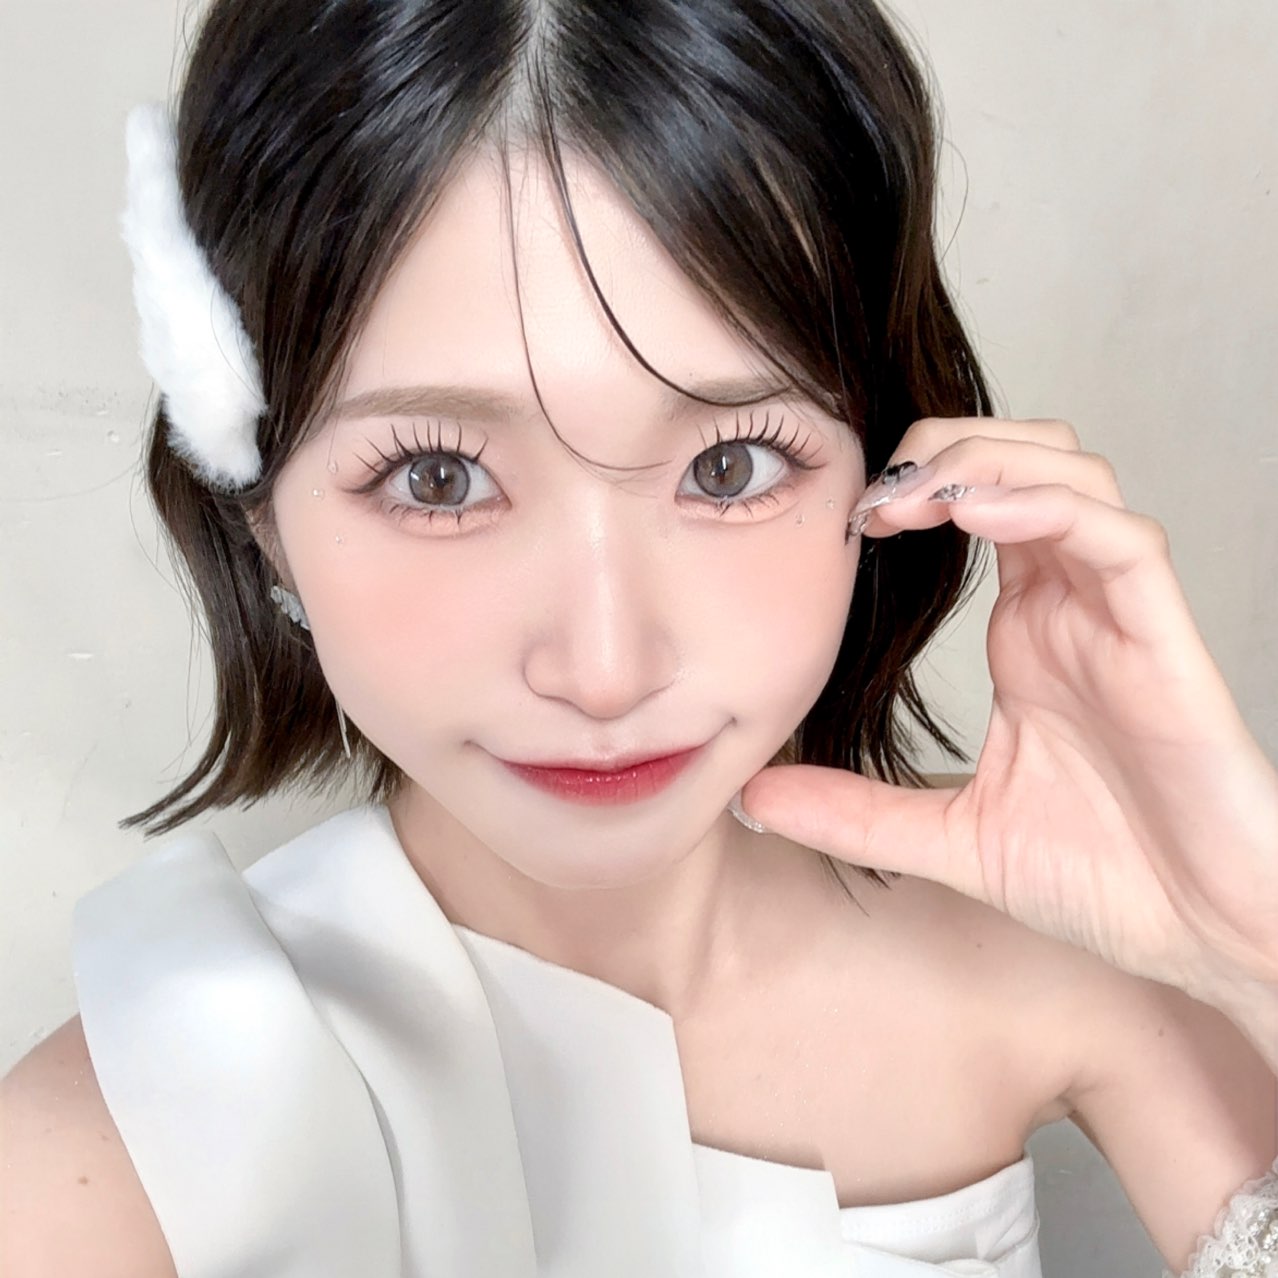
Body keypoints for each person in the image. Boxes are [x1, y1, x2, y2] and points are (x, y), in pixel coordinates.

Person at [3, 1, 1276, 1274]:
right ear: (261, 517)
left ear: (885, 466)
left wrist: (1250, 932)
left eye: (729, 466)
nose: (604, 671)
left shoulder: (1071, 936)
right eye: (439, 479)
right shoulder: (103, 1156)